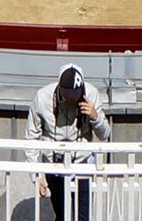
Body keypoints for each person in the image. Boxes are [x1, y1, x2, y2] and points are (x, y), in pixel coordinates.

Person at [27, 64, 110, 220]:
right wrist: (36, 176)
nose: (71, 99)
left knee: (83, 217)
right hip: (54, 165)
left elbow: (105, 134)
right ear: (59, 87)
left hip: (82, 164)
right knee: (62, 215)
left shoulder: (91, 94)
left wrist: (95, 117)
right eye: (66, 95)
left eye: (75, 95)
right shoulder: (42, 97)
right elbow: (32, 137)